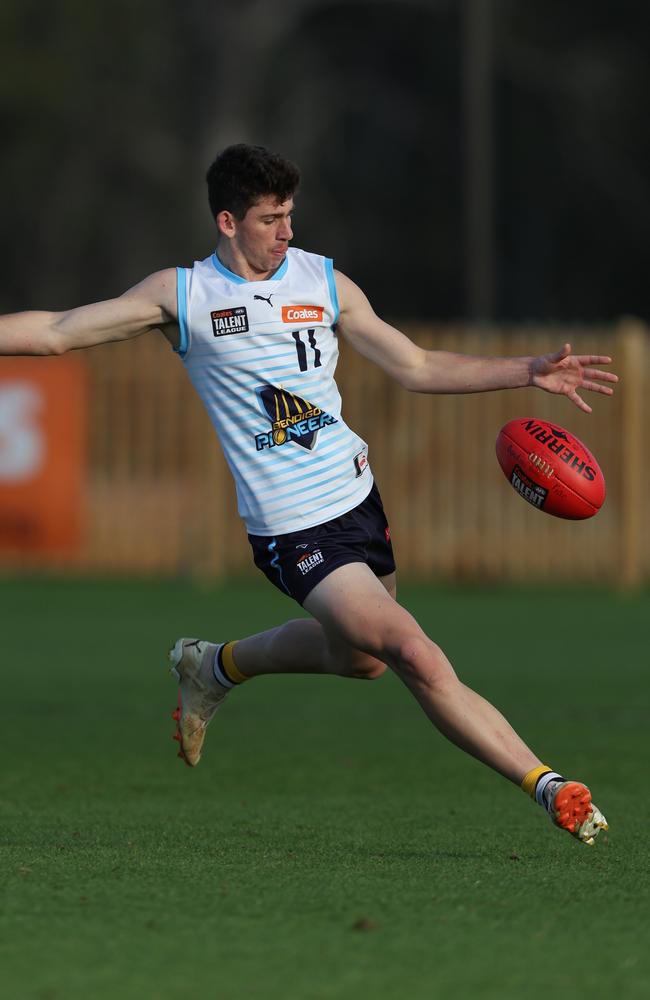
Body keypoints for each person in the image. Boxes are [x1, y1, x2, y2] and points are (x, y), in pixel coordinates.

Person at [1, 144, 617, 845]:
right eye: (270, 219)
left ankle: (215, 665)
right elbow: (55, 333)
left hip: (358, 501)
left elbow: (414, 364)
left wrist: (526, 370)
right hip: (292, 530)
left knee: (361, 661)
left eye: (290, 215)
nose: (286, 232)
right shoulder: (183, 296)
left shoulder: (325, 283)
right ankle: (548, 784)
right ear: (228, 221)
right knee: (414, 652)